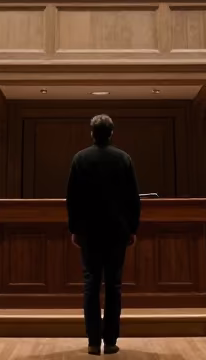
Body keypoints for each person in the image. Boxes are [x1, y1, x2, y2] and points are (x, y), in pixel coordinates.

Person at [66, 114, 141, 355]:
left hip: (89, 231)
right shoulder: (123, 158)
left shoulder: (80, 158)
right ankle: (110, 341)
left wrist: (74, 229)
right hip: (116, 231)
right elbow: (133, 198)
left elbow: (73, 198)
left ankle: (92, 341)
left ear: (92, 133)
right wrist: (132, 228)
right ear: (111, 133)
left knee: (90, 284)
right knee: (113, 286)